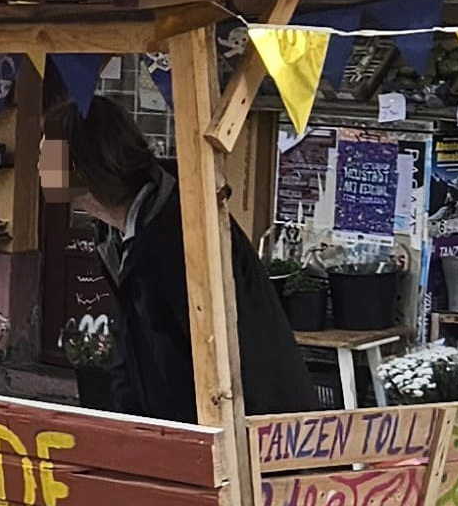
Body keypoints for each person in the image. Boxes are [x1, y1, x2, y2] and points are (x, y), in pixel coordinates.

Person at [52, 96, 315, 423]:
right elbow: (133, 345)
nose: (38, 167)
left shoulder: (181, 226)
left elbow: (217, 351)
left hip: (249, 422)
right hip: (171, 427)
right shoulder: (117, 234)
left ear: (82, 167)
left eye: (47, 157)